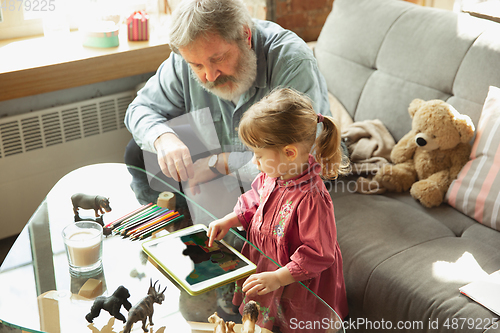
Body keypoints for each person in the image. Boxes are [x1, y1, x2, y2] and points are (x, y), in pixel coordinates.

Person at [123, 0, 333, 220]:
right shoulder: (185, 59)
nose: (210, 76)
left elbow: (299, 160)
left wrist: (219, 164)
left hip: (278, 167)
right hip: (225, 150)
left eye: (219, 59)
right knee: (139, 152)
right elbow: (141, 108)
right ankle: (168, 230)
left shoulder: (291, 61)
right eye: (197, 66)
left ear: (245, 35)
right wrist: (164, 138)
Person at [207, 88, 350, 332]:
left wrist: (278, 278)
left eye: (259, 154)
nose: (255, 161)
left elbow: (318, 253)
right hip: (266, 263)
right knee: (264, 316)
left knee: (291, 322)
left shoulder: (312, 199)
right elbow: (257, 201)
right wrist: (231, 220)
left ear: (290, 153)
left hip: (295, 279)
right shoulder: (273, 174)